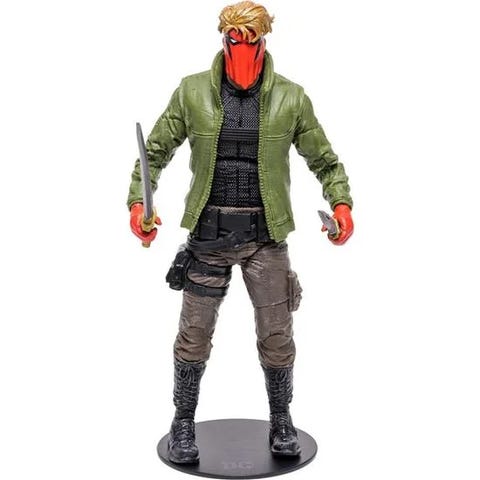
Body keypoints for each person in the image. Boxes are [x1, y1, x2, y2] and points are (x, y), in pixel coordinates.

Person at [127, 0, 353, 464]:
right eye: (236, 40)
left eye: (253, 40)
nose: (244, 49)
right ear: (225, 40)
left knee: (277, 335)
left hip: (265, 236)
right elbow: (155, 152)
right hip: (209, 235)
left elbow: (324, 160)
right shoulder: (192, 92)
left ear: (264, 41)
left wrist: (341, 203)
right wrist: (138, 203)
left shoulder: (291, 97)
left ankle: (282, 420)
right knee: (194, 334)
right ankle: (183, 422)